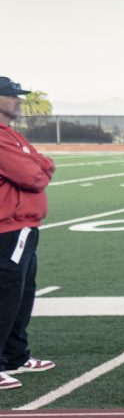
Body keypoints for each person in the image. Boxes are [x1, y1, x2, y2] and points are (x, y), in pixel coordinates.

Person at [0, 76, 56, 391]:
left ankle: (15, 356)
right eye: (11, 96)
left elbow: (42, 165)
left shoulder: (12, 135)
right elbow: (33, 175)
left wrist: (38, 164)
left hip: (24, 225)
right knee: (6, 294)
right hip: (7, 227)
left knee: (22, 293)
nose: (18, 100)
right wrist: (38, 165)